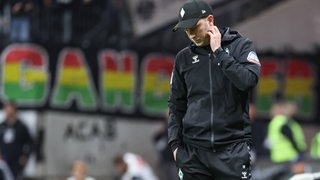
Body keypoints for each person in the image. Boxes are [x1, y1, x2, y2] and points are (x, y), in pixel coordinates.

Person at [167, 0, 261, 179]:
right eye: (186, 30)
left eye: (195, 27)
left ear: (210, 19)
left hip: (232, 151)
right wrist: (175, 148)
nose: (191, 34)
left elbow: (248, 81)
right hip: (193, 154)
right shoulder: (183, 59)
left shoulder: (241, 46)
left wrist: (219, 52)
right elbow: (176, 105)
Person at [0, 101, 33, 180]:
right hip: (3, 160)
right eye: (7, 109)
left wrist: (26, 156)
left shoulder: (21, 127)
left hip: (17, 161)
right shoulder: (2, 126)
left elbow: (30, 142)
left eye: (10, 109)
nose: (8, 111)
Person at [153, 111, 178, 180]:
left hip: (174, 162)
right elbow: (155, 139)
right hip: (164, 160)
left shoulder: (178, 128)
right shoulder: (165, 130)